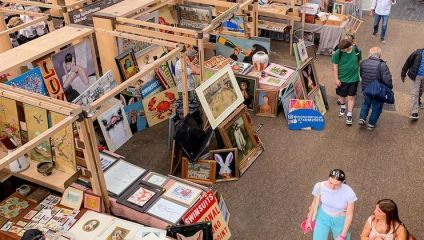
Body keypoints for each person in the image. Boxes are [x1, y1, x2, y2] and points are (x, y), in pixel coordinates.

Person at [305, 169, 357, 240]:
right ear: (328, 178)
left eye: (336, 185)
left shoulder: (349, 193)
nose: (332, 187)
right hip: (322, 217)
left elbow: (349, 215)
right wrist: (309, 220)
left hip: (340, 220)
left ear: (342, 182)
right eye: (330, 182)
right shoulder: (320, 186)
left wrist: (343, 236)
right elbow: (314, 204)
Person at [359, 47, 393, 130]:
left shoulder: (363, 63)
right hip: (378, 91)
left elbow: (361, 74)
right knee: (377, 108)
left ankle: (362, 118)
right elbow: (387, 80)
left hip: (366, 88)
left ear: (370, 54)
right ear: (379, 55)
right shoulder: (382, 65)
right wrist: (389, 87)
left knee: (366, 104)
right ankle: (371, 124)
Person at [332, 39, 362, 125]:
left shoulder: (357, 51)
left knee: (351, 97)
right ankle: (342, 106)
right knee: (341, 95)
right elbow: (335, 67)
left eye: (343, 49)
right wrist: (336, 79)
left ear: (348, 47)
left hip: (354, 79)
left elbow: (360, 62)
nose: (341, 50)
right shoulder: (338, 53)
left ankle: (349, 114)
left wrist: (361, 74)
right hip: (342, 79)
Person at [174, 48, 200, 118]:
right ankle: (188, 120)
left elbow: (197, 70)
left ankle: (193, 117)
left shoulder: (186, 62)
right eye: (194, 57)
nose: (195, 58)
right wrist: (189, 63)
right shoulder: (180, 65)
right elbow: (197, 71)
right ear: (190, 57)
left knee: (192, 106)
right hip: (185, 90)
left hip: (190, 87)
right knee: (187, 108)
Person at [401, 48, 424, 119]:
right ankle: (414, 112)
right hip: (417, 76)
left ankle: (418, 100)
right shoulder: (418, 52)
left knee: (421, 90)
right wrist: (403, 73)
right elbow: (408, 62)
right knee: (415, 93)